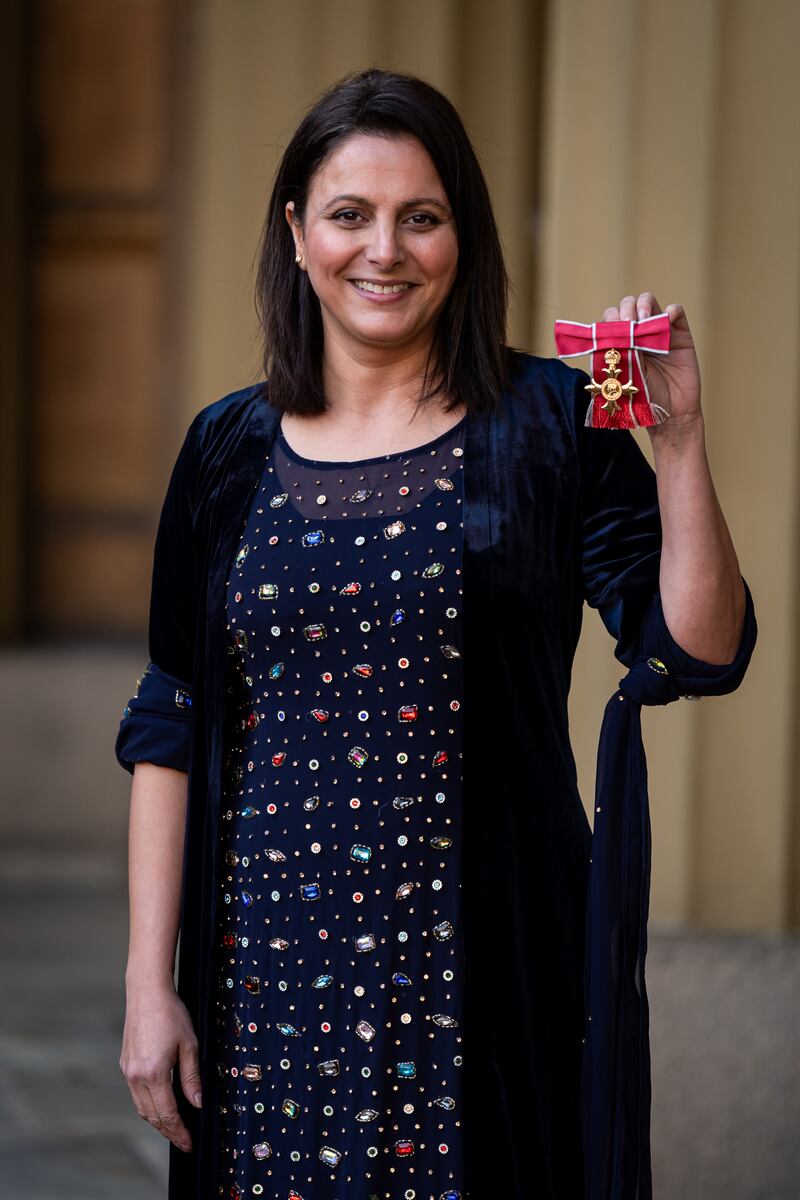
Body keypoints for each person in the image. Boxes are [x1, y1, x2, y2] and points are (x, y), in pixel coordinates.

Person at [114, 68, 757, 1200]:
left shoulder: (551, 423)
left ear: (462, 232)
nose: (385, 251)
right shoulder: (223, 450)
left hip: (479, 983)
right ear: (296, 232)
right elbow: (168, 721)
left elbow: (691, 650)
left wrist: (678, 441)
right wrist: (146, 986)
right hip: (264, 982)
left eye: (421, 216)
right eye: (349, 215)